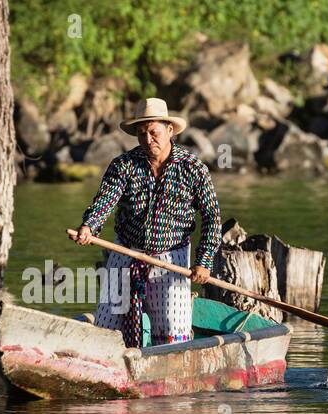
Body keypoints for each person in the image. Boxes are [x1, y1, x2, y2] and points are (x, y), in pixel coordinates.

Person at [76, 97, 221, 348]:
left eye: (153, 132)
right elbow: (105, 201)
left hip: (171, 257)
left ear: (169, 130)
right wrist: (90, 226)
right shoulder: (124, 165)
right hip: (127, 251)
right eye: (141, 134)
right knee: (107, 323)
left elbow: (211, 217)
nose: (148, 140)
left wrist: (204, 262)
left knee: (172, 330)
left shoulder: (193, 168)